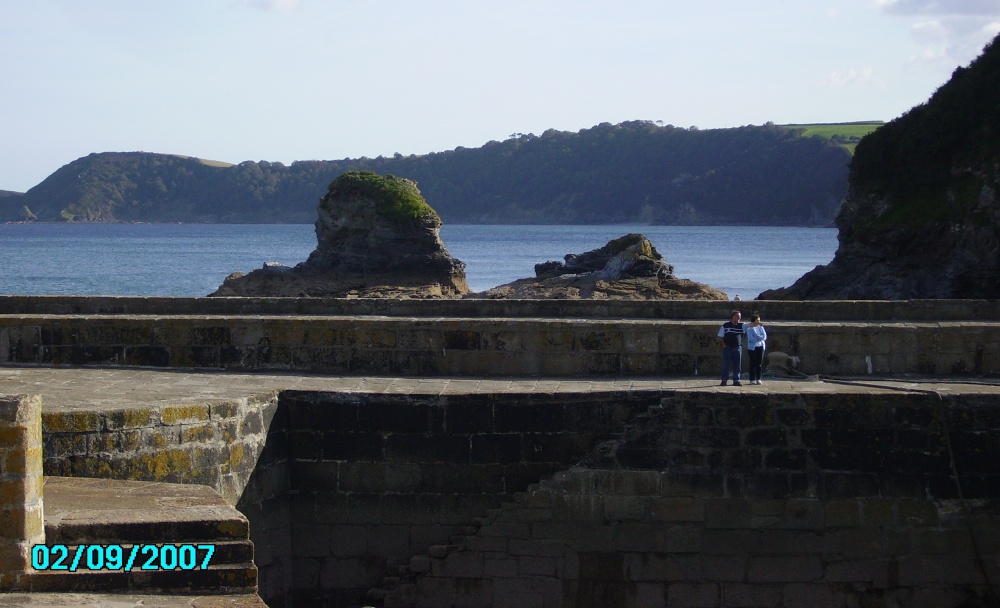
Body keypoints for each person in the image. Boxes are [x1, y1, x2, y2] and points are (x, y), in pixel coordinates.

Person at [717, 310, 746, 386]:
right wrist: (724, 344)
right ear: (733, 317)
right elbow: (721, 336)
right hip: (728, 348)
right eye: (737, 317)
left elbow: (750, 325)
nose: (738, 318)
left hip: (737, 347)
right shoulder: (726, 325)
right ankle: (724, 380)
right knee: (726, 364)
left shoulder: (742, 326)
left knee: (737, 365)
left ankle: (736, 380)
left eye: (740, 317)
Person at [745, 313, 767, 385]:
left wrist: (757, 337)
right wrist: (759, 338)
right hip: (752, 348)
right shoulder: (749, 328)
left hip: (761, 347)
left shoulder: (761, 327)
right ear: (753, 321)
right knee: (753, 363)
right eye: (757, 320)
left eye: (759, 320)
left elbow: (764, 336)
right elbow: (751, 338)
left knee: (759, 364)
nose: (759, 322)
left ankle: (758, 378)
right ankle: (752, 379)